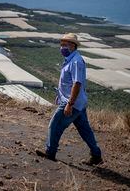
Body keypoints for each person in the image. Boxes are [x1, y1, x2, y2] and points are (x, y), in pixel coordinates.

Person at [35, 33, 103, 165]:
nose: (62, 47)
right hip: (77, 102)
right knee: (85, 130)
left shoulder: (76, 61)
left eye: (65, 44)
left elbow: (77, 83)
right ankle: (96, 156)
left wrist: (69, 104)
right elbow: (68, 83)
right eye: (61, 44)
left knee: (55, 125)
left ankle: (50, 153)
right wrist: (60, 95)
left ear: (73, 45)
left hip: (73, 103)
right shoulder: (71, 59)